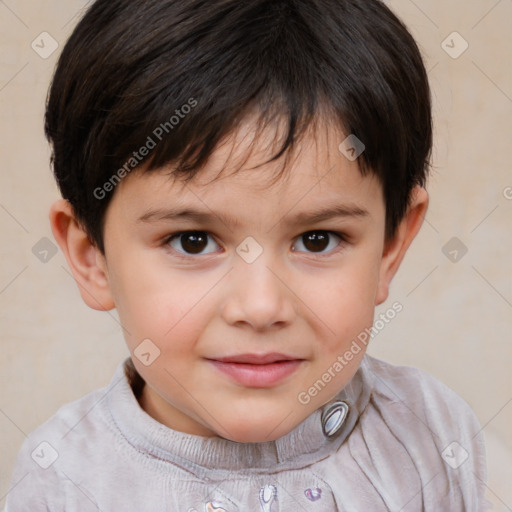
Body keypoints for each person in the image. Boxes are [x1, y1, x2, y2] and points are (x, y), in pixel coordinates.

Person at [4, 0, 489, 510]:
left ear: (391, 247)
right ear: (91, 258)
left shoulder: (432, 430)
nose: (260, 308)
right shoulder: (63, 476)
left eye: (317, 240)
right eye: (193, 241)